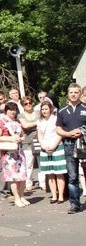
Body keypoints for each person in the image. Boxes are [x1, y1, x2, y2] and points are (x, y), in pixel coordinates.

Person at [55, 82, 86, 214]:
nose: (73, 95)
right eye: (71, 92)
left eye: (76, 92)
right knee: (72, 176)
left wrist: (82, 131)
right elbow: (58, 129)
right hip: (69, 145)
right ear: (68, 94)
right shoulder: (62, 111)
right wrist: (68, 134)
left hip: (84, 144)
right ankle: (75, 204)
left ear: (80, 94)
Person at [0, 101, 29, 208]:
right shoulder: (1, 121)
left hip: (19, 150)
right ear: (6, 111)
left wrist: (21, 138)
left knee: (22, 175)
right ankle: (16, 197)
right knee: (13, 176)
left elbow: (23, 135)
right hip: (8, 152)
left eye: (14, 110)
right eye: (10, 110)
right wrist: (11, 138)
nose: (12, 112)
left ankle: (21, 195)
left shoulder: (17, 121)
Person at [36, 97, 66, 205]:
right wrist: (43, 146)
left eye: (46, 109)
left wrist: (53, 146)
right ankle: (54, 195)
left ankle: (61, 196)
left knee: (59, 172)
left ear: (51, 108)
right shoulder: (39, 121)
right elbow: (39, 134)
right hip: (45, 148)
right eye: (42, 109)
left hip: (57, 146)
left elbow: (60, 133)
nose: (44, 111)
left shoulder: (56, 118)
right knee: (49, 173)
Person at [18, 95, 38, 191]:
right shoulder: (20, 115)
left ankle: (42, 182)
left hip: (38, 139)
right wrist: (37, 123)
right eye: (26, 104)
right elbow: (25, 125)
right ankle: (28, 181)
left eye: (30, 103)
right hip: (27, 141)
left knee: (41, 161)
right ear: (23, 105)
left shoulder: (38, 113)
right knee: (29, 162)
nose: (28, 105)